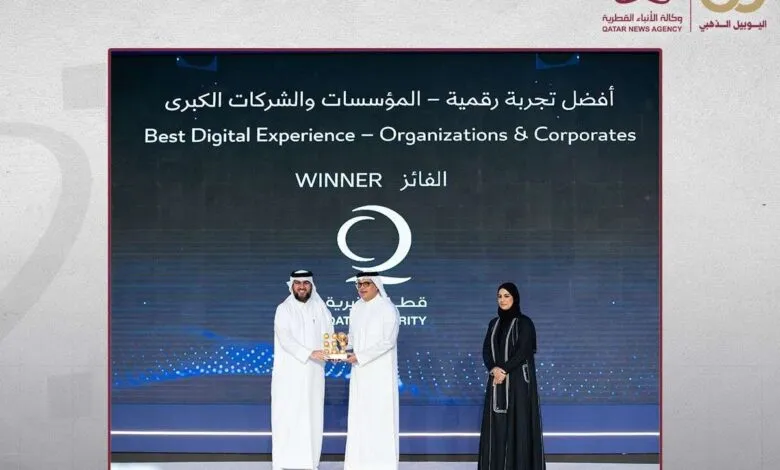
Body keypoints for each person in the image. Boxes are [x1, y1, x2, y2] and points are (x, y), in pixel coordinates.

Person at [477, 282, 546, 470]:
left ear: (515, 298)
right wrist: (494, 369)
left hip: (517, 385)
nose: (502, 300)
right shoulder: (494, 323)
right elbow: (486, 350)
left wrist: (504, 370)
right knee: (497, 428)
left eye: (506, 296)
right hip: (497, 382)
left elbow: (523, 351)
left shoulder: (524, 323)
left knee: (518, 426)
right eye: (499, 296)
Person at [271, 270, 335, 470]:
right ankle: (284, 464)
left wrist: (334, 352)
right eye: (297, 283)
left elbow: (330, 336)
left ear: (311, 286)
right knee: (288, 416)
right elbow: (285, 339)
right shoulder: (284, 309)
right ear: (291, 286)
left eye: (305, 283)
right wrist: (310, 353)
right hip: (289, 375)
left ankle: (310, 463)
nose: (301, 286)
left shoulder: (321, 308)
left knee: (313, 416)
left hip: (315, 373)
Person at [343, 271, 401, 470]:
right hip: (360, 374)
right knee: (360, 420)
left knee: (380, 420)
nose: (362, 288)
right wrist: (342, 344)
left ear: (377, 285)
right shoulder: (356, 307)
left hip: (380, 375)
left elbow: (388, 341)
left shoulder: (387, 308)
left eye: (366, 283)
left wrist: (360, 356)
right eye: (359, 284)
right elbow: (352, 337)